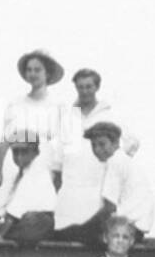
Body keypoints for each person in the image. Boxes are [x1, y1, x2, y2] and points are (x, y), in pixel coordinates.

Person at [53, 68, 141, 231]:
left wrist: (111, 155)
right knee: (67, 233)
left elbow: (132, 143)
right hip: (71, 191)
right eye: (80, 87)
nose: (84, 91)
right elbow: (58, 159)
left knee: (94, 234)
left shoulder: (110, 115)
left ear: (97, 87)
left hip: (99, 187)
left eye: (89, 86)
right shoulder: (67, 118)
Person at [53, 121, 155, 245]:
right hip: (135, 227)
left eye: (102, 144)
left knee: (64, 234)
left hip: (126, 228)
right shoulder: (123, 160)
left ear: (116, 143)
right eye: (93, 145)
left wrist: (84, 228)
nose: (97, 150)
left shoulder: (115, 161)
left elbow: (109, 208)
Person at [0, 49, 65, 192]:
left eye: (37, 70)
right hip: (16, 161)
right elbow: (5, 140)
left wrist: (59, 173)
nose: (33, 74)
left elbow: (62, 144)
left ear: (47, 73)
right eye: (29, 70)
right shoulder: (15, 104)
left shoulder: (58, 105)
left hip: (44, 165)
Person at [0, 134, 57, 245]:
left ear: (36, 153)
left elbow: (16, 209)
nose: (19, 157)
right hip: (24, 221)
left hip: (40, 222)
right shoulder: (18, 176)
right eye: (16, 152)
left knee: (6, 229)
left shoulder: (37, 171)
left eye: (24, 152)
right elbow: (3, 204)